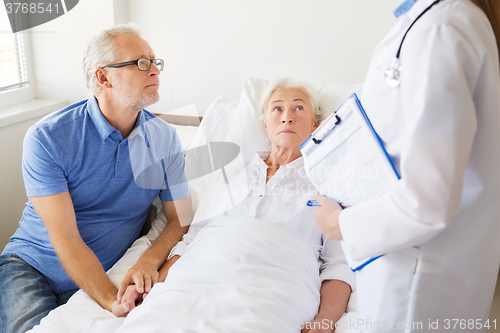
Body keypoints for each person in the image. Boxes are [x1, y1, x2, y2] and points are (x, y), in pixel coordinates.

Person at [314, 0, 500, 331]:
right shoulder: (432, 23)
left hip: (417, 289)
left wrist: (341, 223)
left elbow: (428, 202)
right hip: (416, 274)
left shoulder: (440, 29)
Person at [117, 78, 355, 333]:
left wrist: (325, 322)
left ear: (314, 125)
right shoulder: (231, 173)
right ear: (265, 124)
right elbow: (191, 241)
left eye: (298, 108)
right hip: (197, 276)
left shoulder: (327, 184)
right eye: (277, 108)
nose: (287, 117)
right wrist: (154, 289)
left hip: (274, 289)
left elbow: (337, 266)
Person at [0, 24, 192, 333]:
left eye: (156, 61)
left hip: (107, 270)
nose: (155, 70)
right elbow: (65, 236)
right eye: (141, 62)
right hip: (32, 268)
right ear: (103, 77)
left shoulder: (164, 138)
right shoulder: (48, 138)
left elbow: (180, 218)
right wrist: (107, 298)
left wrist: (148, 260)